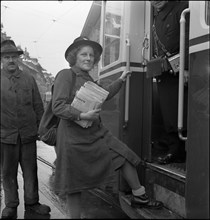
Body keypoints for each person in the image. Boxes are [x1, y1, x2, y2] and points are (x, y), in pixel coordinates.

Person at [51, 36, 163, 219]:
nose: (88, 58)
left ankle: (139, 196)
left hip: (94, 133)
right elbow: (57, 106)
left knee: (124, 154)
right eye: (83, 54)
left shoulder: (87, 77)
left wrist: (120, 80)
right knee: (74, 184)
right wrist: (81, 115)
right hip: (72, 138)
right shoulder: (65, 75)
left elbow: (103, 95)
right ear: (74, 56)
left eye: (91, 55)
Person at [0, 40, 51, 219]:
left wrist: (41, 127)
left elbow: (38, 105)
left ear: (18, 59)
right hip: (5, 136)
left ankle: (33, 202)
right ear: (2, 60)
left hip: (28, 134)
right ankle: (11, 204)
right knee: (8, 172)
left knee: (30, 170)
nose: (11, 60)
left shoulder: (29, 79)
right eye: (7, 57)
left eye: (14, 57)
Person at [150, 1, 189, 164]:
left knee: (182, 110)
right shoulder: (155, 17)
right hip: (164, 71)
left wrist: (187, 67)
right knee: (168, 111)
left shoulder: (182, 6)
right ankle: (174, 147)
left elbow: (189, 38)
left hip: (181, 70)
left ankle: (181, 149)